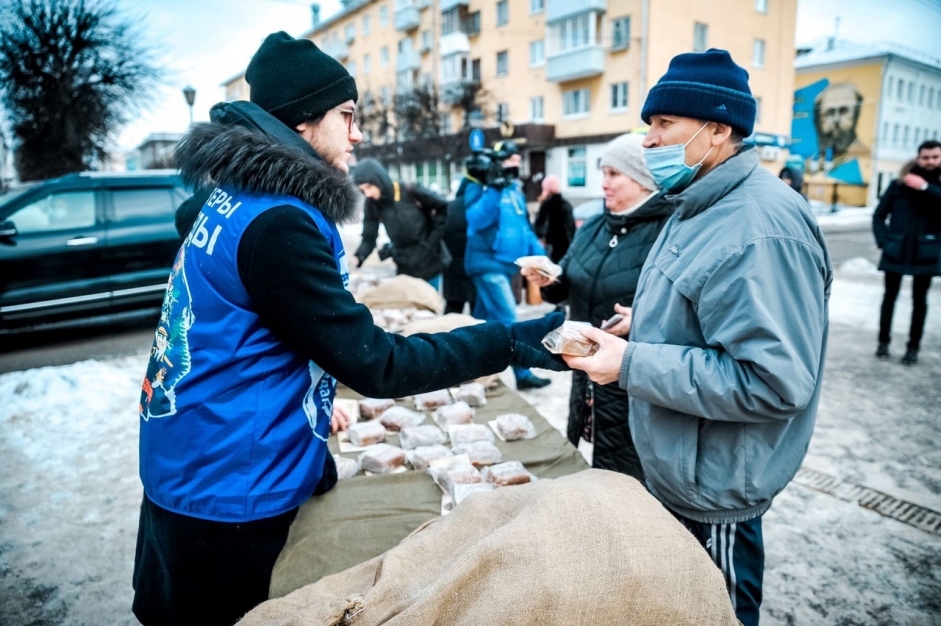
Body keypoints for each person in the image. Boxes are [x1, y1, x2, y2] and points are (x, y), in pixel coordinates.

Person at [132, 32, 565, 626]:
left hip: (197, 453)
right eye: (347, 115)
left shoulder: (241, 196)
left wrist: (308, 434)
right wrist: (510, 340)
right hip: (228, 486)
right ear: (303, 121)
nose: (357, 134)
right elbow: (377, 363)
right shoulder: (279, 222)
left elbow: (257, 334)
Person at [563, 49, 832, 626]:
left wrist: (632, 364)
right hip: (680, 467)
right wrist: (643, 325)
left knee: (718, 613)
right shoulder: (697, 203)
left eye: (665, 123)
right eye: (649, 124)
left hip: (715, 487)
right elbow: (707, 310)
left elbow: (773, 382)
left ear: (717, 130)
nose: (649, 140)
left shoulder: (759, 227)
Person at [522, 133, 672, 480]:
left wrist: (643, 320)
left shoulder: (669, 231)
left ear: (643, 179)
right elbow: (569, 280)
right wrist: (549, 280)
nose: (604, 183)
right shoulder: (594, 226)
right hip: (586, 374)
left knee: (626, 481)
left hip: (633, 383)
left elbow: (683, 310)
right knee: (590, 471)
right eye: (603, 173)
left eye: (614, 174)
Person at [464, 140, 552, 390]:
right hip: (487, 265)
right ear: (496, 163)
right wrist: (493, 188)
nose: (515, 166)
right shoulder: (478, 187)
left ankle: (468, 366)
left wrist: (542, 258)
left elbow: (524, 229)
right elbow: (476, 220)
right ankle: (523, 374)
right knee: (509, 319)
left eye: (517, 161)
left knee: (482, 320)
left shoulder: (515, 190)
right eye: (510, 161)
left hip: (506, 266)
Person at [873, 139, 941, 366]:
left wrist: (925, 187)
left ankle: (912, 349)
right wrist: (884, 242)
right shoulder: (899, 185)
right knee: (889, 298)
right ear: (918, 158)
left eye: (935, 157)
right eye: (926, 157)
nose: (930, 161)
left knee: (920, 301)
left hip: (925, 251)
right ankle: (883, 343)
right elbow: (879, 215)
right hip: (896, 249)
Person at [351, 158, 450, 287]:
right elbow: (369, 237)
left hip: (429, 263)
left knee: (429, 299)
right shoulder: (372, 204)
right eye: (363, 190)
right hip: (404, 267)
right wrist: (358, 257)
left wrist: (430, 244)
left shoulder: (409, 190)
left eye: (369, 187)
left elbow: (443, 208)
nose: (368, 194)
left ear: (379, 180)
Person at [442, 170, 481, 315]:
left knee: (452, 312)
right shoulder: (479, 207)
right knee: (477, 316)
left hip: (452, 268)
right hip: (474, 267)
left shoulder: (449, 207)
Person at [533, 175, 575, 264]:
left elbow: (539, 226)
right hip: (566, 249)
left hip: (550, 248)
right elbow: (571, 229)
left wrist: (542, 238)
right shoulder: (566, 205)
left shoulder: (546, 206)